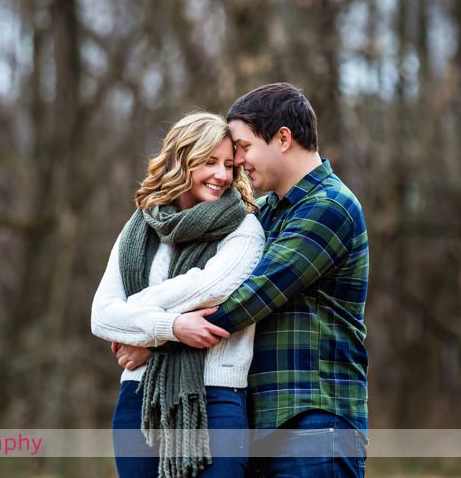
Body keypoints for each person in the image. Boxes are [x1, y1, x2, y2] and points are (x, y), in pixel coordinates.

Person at [148, 83, 370, 477]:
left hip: (314, 422)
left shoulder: (330, 207)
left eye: (244, 147)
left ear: (283, 138)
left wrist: (153, 336)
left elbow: (251, 298)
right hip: (259, 422)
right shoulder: (264, 213)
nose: (239, 162)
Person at [90, 112, 265, 478]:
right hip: (140, 397)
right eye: (209, 162)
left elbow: (209, 286)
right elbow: (101, 316)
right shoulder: (140, 228)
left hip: (216, 399)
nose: (221, 175)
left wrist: (136, 323)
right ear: (181, 161)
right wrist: (171, 325)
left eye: (229, 165)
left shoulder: (244, 229)